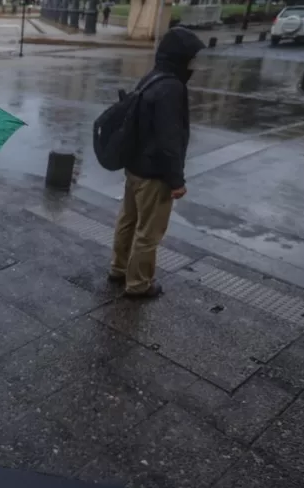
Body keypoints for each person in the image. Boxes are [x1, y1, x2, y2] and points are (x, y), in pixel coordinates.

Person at [109, 27, 204, 299]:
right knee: (148, 232)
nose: (193, 64)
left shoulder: (151, 78)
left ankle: (118, 268)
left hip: (135, 167)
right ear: (180, 58)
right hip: (154, 174)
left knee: (127, 220)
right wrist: (176, 181)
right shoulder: (171, 88)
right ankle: (138, 284)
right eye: (190, 58)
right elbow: (169, 139)